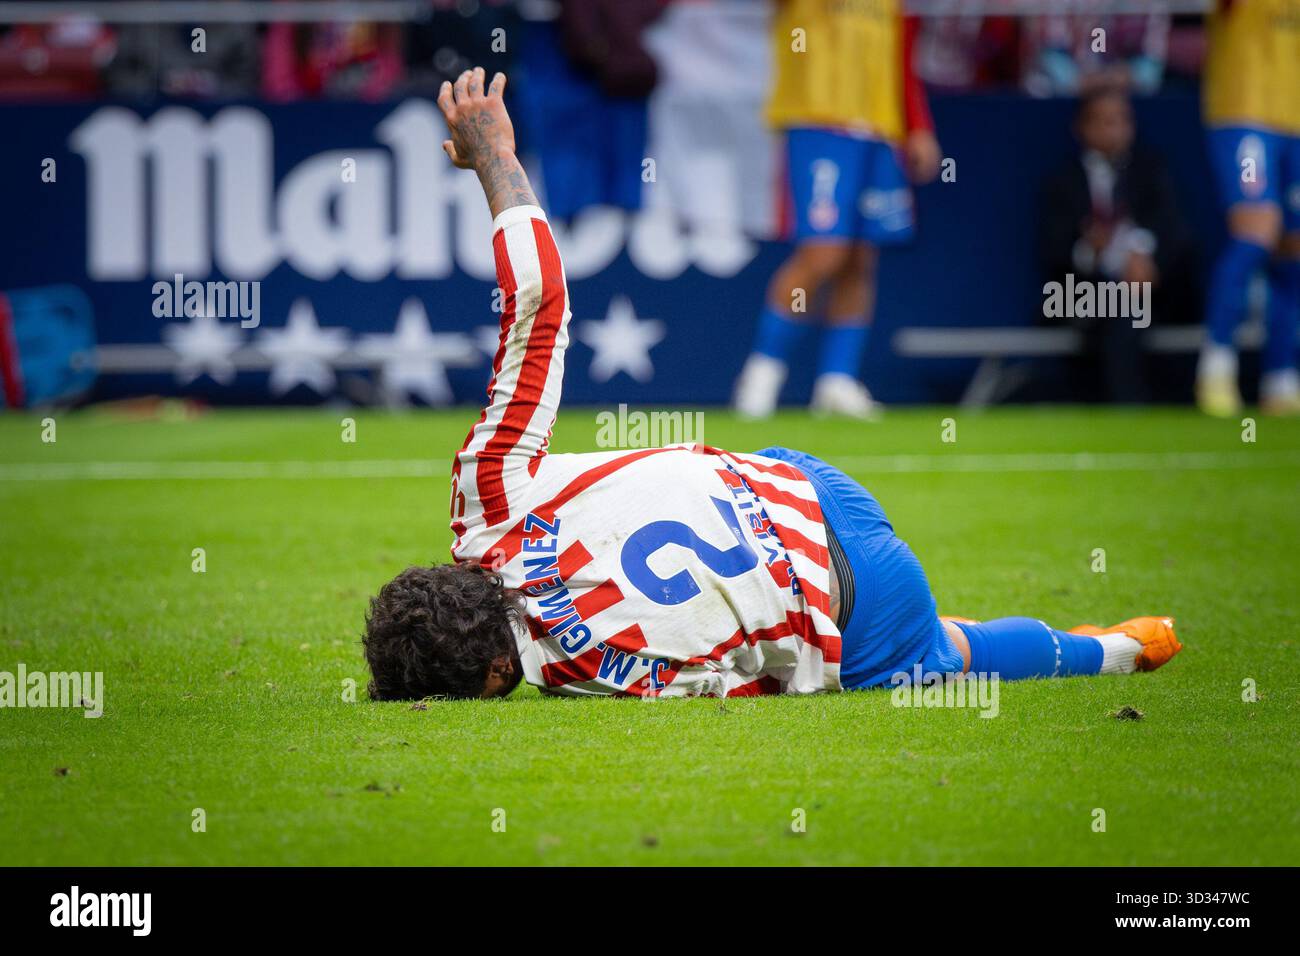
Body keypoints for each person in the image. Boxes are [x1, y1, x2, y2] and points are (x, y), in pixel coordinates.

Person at [362, 68, 1184, 701]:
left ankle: (1110, 650)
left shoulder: (599, 677)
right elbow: (539, 309)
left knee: (937, 652)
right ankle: (1078, 641)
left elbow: (756, 675)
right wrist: (498, 160)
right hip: (805, 480)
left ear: (495, 676)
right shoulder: (485, 503)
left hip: (861, 597)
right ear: (455, 571)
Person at [731, 0, 940, 420]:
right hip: (818, 123)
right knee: (824, 251)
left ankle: (836, 381)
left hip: (880, 129)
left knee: (862, 256)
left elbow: (902, 56)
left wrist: (918, 127)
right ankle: (761, 374)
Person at [1039, 86, 1189, 402]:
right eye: (1101, 121)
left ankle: (1132, 405)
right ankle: (1125, 406)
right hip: (1081, 296)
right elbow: (1054, 253)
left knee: (1131, 305)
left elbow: (1173, 233)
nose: (1111, 130)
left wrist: (1142, 256)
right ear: (1081, 127)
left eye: (1119, 121)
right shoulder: (1063, 182)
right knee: (1114, 307)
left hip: (1152, 295)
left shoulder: (1151, 172)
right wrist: (1089, 251)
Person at [1197, 0, 1300, 417]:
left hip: (1294, 122)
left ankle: (1281, 377)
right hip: (1243, 114)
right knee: (1255, 231)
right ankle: (1217, 365)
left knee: (1293, 251)